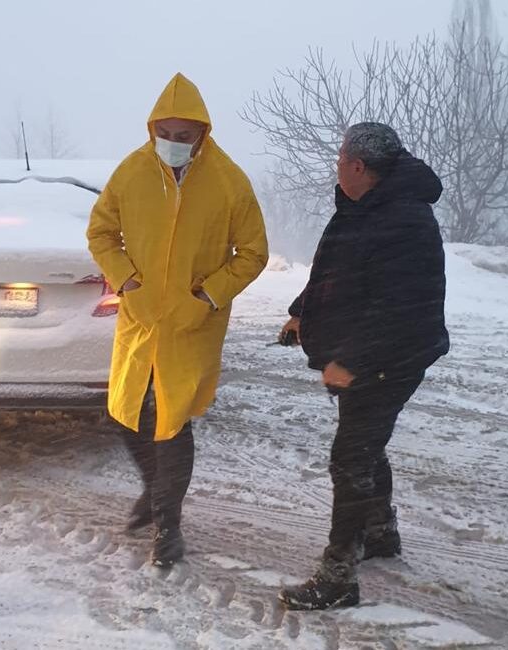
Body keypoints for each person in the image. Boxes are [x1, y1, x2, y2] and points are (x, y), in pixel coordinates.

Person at [87, 73, 268, 567]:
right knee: (124, 413)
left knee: (172, 421)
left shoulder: (230, 182)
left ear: (202, 133)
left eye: (183, 136)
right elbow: (101, 234)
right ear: (152, 130)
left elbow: (253, 253)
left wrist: (207, 296)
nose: (172, 144)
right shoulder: (131, 173)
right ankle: (155, 492)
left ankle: (169, 526)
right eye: (164, 133)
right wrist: (126, 282)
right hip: (141, 318)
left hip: (193, 324)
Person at [277, 122, 449, 609]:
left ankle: (338, 577)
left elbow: (397, 309)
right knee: (367, 445)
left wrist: (351, 362)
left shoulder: (403, 221)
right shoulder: (364, 207)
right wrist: (300, 310)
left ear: (357, 166)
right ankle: (380, 533)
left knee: (350, 458)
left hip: (389, 359)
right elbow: (337, 270)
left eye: (339, 158)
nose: (336, 165)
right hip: (372, 354)